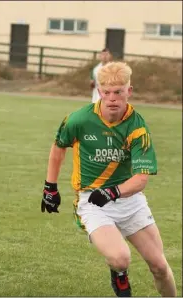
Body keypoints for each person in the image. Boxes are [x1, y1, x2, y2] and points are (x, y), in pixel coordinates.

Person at [41, 62, 177, 297]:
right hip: (92, 202)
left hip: (130, 202)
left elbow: (140, 180)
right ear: (99, 91)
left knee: (160, 267)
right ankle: (119, 272)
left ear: (129, 91)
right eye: (107, 92)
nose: (112, 98)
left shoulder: (138, 128)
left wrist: (112, 192)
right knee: (121, 258)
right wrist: (50, 187)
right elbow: (58, 147)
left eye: (119, 92)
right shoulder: (79, 120)